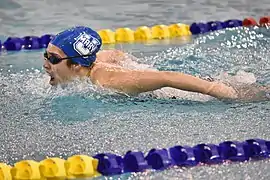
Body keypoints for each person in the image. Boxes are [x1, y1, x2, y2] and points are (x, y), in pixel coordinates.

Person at [43, 26, 270, 102]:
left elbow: (167, 78)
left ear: (76, 65)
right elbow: (113, 54)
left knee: (253, 95)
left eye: (53, 59)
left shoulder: (108, 82)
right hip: (147, 76)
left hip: (183, 92)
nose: (45, 64)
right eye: (46, 55)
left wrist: (219, 91)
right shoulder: (93, 62)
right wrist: (134, 64)